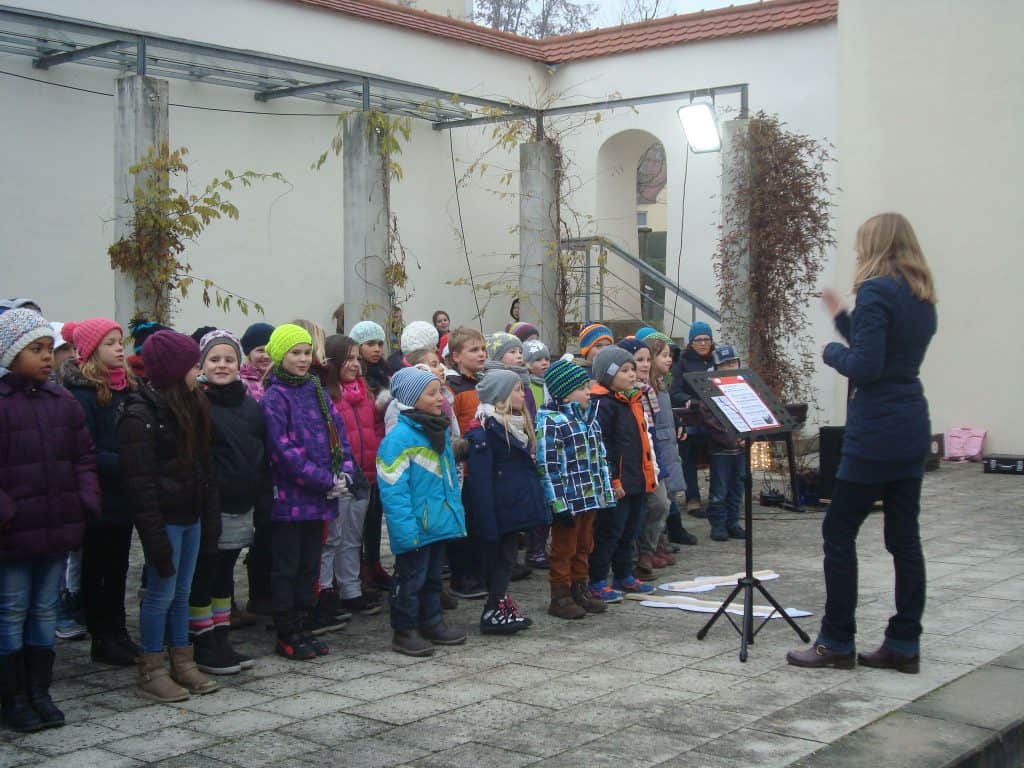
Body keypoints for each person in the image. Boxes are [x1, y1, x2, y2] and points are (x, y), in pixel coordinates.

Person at [787, 212, 937, 673]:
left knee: (838, 531)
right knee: (903, 539)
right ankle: (904, 643)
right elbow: (884, 351)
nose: (857, 253)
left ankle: (836, 640)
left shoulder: (876, 289)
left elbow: (867, 366)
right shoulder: (920, 295)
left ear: (877, 246)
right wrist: (841, 318)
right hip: (911, 424)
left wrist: (832, 352)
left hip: (875, 432)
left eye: (861, 245)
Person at [0, 310, 99, 731]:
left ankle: (40, 690)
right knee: (11, 609)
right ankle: (13, 695)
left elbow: (83, 457)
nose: (46, 358)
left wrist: (85, 500)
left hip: (57, 525)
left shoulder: (63, 403)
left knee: (44, 609)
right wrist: (8, 512)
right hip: (13, 533)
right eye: (35, 350)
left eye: (49, 350)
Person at [118, 329, 220, 702]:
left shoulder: (193, 406)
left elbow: (204, 467)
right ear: (174, 371)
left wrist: (208, 517)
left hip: (190, 514)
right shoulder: (140, 415)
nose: (200, 372)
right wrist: (155, 537)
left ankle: (182, 659)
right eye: (194, 366)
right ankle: (152, 667)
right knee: (160, 593)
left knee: (182, 592)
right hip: (165, 519)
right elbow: (140, 484)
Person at [261, 324, 356, 660]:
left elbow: (338, 432)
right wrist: (322, 479)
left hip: (320, 495)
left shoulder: (315, 387)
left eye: (306, 352)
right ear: (279, 356)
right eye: (295, 353)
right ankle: (286, 630)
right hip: (290, 498)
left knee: (309, 564)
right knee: (288, 565)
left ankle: (304, 624)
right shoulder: (274, 396)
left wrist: (343, 471)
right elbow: (283, 451)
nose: (303, 360)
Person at [187, 330, 267, 675]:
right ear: (202, 364)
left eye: (229, 359)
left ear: (239, 363)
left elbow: (258, 450)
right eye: (214, 359)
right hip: (211, 504)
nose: (222, 365)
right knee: (205, 572)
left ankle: (221, 633)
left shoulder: (249, 403)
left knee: (226, 573)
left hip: (241, 502)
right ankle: (201, 639)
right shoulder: (197, 402)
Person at [62, 318, 140, 667]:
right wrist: (129, 461)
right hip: (100, 495)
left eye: (120, 341)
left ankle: (118, 630)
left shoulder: (128, 387)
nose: (119, 348)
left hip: (126, 495)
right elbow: (86, 449)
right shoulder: (81, 394)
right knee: (98, 568)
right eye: (110, 343)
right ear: (92, 350)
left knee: (120, 565)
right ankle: (101, 636)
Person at [378, 367, 467, 657]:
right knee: (410, 580)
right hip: (415, 526)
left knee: (432, 579)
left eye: (440, 391)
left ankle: (432, 622)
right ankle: (404, 630)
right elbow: (394, 492)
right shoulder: (398, 440)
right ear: (411, 399)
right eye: (432, 393)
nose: (440, 397)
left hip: (436, 522)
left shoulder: (435, 430)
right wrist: (405, 531)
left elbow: (448, 481)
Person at [465, 370, 547, 634]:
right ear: (500, 396)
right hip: (496, 512)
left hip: (512, 509)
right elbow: (480, 483)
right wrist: (486, 522)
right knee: (499, 561)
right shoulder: (485, 433)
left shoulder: (514, 425)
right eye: (517, 390)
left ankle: (497, 604)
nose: (523, 394)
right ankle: (493, 608)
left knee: (508, 559)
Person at [537, 360, 616, 620]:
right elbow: (548, 466)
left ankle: (579, 587)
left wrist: (605, 490)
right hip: (568, 501)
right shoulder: (552, 422)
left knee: (584, 544)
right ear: (564, 392)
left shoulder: (589, 418)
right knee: (564, 547)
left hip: (589, 497)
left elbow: (600, 457)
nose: (588, 392)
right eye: (582, 388)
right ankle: (560, 595)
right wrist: (557, 504)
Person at [587, 346, 657, 602]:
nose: (632, 374)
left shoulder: (633, 399)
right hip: (617, 483)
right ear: (608, 375)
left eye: (632, 369)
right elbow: (604, 446)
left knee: (631, 530)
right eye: (625, 370)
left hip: (636, 479)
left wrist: (649, 475)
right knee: (609, 532)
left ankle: (624, 574)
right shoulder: (603, 405)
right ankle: (596, 579)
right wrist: (613, 480)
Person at [323, 334, 383, 617]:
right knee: (332, 537)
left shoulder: (366, 393)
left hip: (364, 474)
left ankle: (351, 588)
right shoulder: (329, 396)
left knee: (353, 536)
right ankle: (326, 590)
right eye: (348, 358)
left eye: (357, 358)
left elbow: (375, 429)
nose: (355, 364)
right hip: (339, 475)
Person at [444, 327, 489, 599]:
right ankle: (462, 576)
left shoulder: (483, 383)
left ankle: (479, 570)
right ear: (456, 356)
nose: (481, 354)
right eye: (474, 350)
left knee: (480, 522)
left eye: (483, 349)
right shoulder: (453, 388)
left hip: (484, 464)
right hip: (464, 466)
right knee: (463, 524)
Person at [348, 319, 392, 593]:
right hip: (362, 454)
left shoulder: (385, 375)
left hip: (379, 452)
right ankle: (359, 568)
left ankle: (374, 562)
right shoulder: (358, 379)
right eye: (370, 344)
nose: (376, 349)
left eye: (379, 344)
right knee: (359, 520)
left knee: (376, 515)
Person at [699, 344, 748, 542]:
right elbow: (710, 420)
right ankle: (718, 524)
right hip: (721, 448)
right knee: (719, 489)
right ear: (717, 367)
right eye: (724, 364)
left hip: (743, 448)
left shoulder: (745, 386)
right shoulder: (710, 389)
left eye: (732, 362)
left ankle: (733, 522)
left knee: (738, 487)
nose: (729, 367)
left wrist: (747, 437)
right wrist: (731, 439)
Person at [670, 321, 716, 518]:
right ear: (691, 342)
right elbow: (676, 391)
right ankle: (693, 499)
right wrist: (688, 400)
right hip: (692, 421)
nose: (703, 343)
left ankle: (717, 499)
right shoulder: (683, 362)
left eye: (707, 339)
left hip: (715, 423)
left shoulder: (717, 360)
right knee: (687, 456)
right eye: (699, 340)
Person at [239, 322, 274, 402]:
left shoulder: (282, 379)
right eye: (260, 351)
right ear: (249, 353)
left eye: (270, 351)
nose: (266, 356)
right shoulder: (241, 384)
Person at [523, 339, 551, 409]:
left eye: (547, 359)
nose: (544, 363)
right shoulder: (526, 386)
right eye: (538, 360)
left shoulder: (552, 383)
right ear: (527, 364)